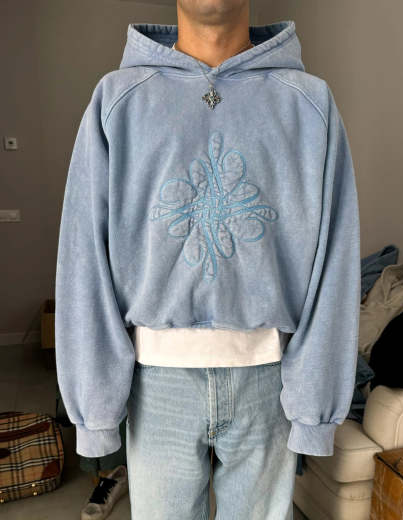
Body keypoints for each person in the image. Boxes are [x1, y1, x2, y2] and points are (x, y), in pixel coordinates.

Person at [54, 1, 361, 518]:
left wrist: (316, 405)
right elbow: (83, 256)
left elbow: (337, 258)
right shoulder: (117, 99)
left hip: (269, 378)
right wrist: (94, 409)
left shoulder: (309, 102)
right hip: (155, 381)